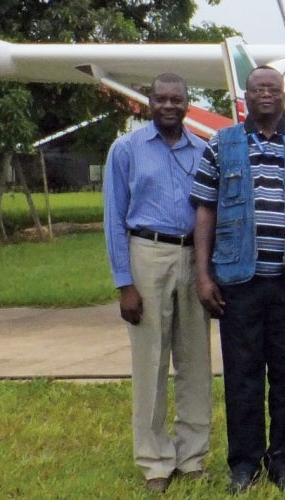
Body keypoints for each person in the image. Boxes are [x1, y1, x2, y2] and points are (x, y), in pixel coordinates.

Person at [191, 66, 285, 494]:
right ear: (245, 96)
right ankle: (244, 464)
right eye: (257, 88)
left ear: (282, 94)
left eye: (272, 88)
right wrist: (203, 275)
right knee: (242, 376)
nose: (265, 94)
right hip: (238, 281)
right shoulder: (221, 144)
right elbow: (205, 210)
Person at [102, 72, 211, 494]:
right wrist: (124, 282)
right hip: (146, 253)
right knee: (150, 361)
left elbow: (210, 212)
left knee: (195, 361)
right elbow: (114, 218)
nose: (169, 105)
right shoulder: (126, 149)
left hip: (193, 255)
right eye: (161, 98)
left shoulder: (203, 150)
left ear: (188, 103)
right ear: (149, 102)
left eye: (177, 99)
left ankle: (193, 456)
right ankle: (155, 462)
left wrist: (208, 271)